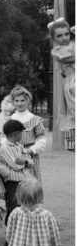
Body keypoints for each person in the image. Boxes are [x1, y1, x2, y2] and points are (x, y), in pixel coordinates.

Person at [0, 120, 34, 223]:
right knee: (13, 210)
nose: (22, 134)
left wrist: (25, 160)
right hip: (12, 184)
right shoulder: (5, 148)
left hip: (23, 182)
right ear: (16, 133)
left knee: (23, 208)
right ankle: (9, 235)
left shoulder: (19, 146)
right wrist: (25, 161)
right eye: (21, 132)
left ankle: (18, 233)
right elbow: (15, 165)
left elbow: (31, 163)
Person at [5, 86, 46, 182]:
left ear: (28, 101)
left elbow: (41, 140)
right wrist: (12, 151)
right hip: (13, 157)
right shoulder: (8, 120)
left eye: (22, 100)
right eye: (17, 100)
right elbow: (3, 138)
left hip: (30, 157)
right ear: (13, 102)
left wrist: (30, 150)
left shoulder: (36, 119)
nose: (19, 103)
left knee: (30, 186)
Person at [48, 18, 75, 149]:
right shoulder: (58, 51)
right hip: (72, 84)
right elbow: (71, 55)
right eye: (59, 35)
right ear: (54, 38)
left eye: (67, 34)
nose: (64, 38)